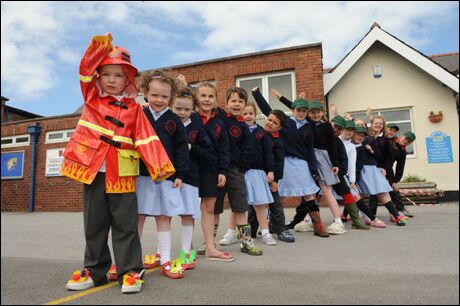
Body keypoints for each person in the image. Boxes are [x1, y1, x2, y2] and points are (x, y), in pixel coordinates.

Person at [62, 33, 175, 294]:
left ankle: (131, 272)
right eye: (107, 74)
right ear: (99, 76)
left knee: (125, 225)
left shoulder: (136, 110)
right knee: (94, 224)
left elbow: (146, 139)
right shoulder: (91, 97)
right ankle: (94, 270)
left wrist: (161, 167)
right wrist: (98, 47)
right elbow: (84, 68)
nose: (112, 80)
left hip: (122, 173)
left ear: (128, 80)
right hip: (92, 171)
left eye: (119, 75)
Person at [252, 88, 327, 238]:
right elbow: (269, 111)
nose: (301, 113)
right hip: (284, 164)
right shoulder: (285, 123)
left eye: (304, 111)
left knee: (308, 194)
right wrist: (256, 94)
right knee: (278, 196)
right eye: (298, 110)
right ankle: (272, 225)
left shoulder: (309, 127)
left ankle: (318, 225)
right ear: (293, 110)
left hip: (301, 165)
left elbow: (310, 150)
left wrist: (313, 170)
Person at [136, 70, 190, 279]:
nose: (159, 100)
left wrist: (180, 174)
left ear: (171, 97)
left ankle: (165, 261)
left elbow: (181, 148)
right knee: (137, 218)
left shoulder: (174, 121)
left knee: (164, 217)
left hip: (166, 176)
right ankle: (131, 261)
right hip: (140, 175)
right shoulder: (139, 114)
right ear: (145, 93)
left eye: (164, 97)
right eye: (155, 95)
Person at [215, 87, 263, 256]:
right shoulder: (219, 117)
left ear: (244, 104)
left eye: (240, 101)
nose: (236, 104)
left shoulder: (243, 126)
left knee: (240, 206)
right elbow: (204, 100)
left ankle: (245, 242)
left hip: (235, 170)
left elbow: (247, 150)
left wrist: (242, 168)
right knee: (214, 207)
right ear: (226, 103)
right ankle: (210, 243)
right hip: (217, 169)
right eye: (233, 101)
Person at [189, 83, 234, 261]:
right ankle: (188, 249)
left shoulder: (220, 123)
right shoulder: (189, 117)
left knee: (208, 208)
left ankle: (210, 247)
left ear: (216, 100)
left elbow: (224, 149)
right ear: (196, 99)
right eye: (203, 96)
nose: (207, 99)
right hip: (191, 168)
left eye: (211, 96)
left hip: (212, 169)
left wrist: (222, 170)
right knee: (189, 210)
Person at [171, 87, 214, 270]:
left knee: (188, 214)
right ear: (171, 107)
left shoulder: (196, 127)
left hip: (189, 178)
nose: (182, 113)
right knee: (163, 215)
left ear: (193, 110)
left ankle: (187, 253)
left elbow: (208, 153)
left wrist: (191, 147)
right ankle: (162, 254)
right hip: (167, 177)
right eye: (178, 109)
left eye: (186, 110)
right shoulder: (168, 124)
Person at [246, 98, 295, 243]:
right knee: (253, 205)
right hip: (256, 175)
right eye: (269, 119)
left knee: (275, 204)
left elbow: (279, 162)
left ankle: (280, 229)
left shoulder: (278, 142)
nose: (270, 123)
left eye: (274, 123)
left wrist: (276, 180)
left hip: (270, 178)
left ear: (279, 128)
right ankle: (251, 231)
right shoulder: (257, 133)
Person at [354, 125, 407, 226]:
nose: (360, 137)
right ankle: (367, 217)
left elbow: (380, 156)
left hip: (371, 168)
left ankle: (396, 216)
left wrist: (381, 167)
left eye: (362, 135)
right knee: (357, 195)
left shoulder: (370, 140)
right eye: (358, 133)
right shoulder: (348, 143)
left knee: (382, 192)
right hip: (356, 170)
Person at [241, 102, 277, 245]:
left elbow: (268, 153)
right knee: (239, 207)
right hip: (241, 172)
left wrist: (270, 171)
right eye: (244, 113)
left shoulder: (261, 133)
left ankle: (266, 233)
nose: (247, 116)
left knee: (260, 205)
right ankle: (238, 234)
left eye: (250, 113)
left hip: (257, 172)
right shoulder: (238, 130)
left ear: (255, 115)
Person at [388, 131, 417, 218]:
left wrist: (395, 181)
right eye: (405, 139)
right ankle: (371, 213)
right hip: (376, 166)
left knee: (393, 187)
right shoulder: (390, 140)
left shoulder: (402, 151)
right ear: (402, 136)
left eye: (408, 141)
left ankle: (400, 209)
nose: (406, 141)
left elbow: (400, 168)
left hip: (388, 169)